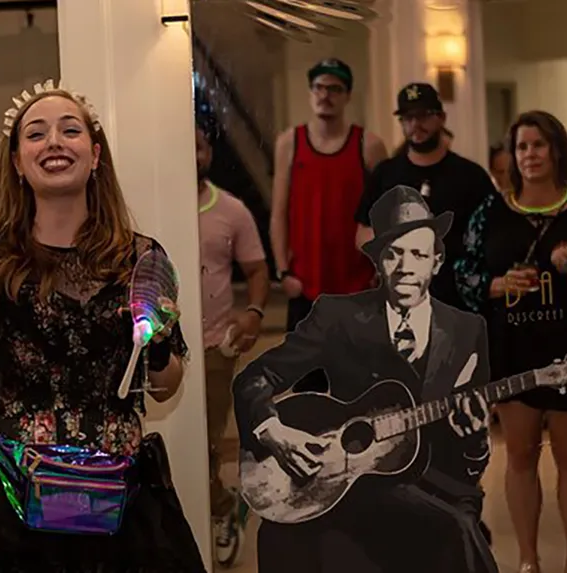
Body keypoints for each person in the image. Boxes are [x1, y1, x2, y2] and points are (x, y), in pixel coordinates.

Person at [0, 80, 206, 572]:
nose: (55, 142)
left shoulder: (141, 257)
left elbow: (167, 387)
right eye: (36, 134)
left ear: (95, 154)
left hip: (118, 502)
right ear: (18, 163)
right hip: (13, 500)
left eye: (70, 130)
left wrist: (155, 344)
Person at [234, 186, 498, 573]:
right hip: (347, 487)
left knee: (455, 528)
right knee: (282, 535)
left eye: (419, 254)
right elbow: (254, 379)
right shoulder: (337, 317)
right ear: (378, 262)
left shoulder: (467, 330)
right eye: (393, 253)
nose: (406, 267)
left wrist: (475, 437)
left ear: (437, 262)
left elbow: (470, 463)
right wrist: (274, 430)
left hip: (435, 486)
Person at [454, 110, 567, 573]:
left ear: (557, 151)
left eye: (539, 145)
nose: (530, 154)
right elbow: (462, 275)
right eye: (522, 147)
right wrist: (496, 285)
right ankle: (528, 560)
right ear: (512, 156)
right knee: (520, 452)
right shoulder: (491, 212)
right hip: (514, 347)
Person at [269, 57, 389, 393]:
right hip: (306, 287)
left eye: (334, 89)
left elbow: (387, 215)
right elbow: (278, 212)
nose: (325, 95)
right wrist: (282, 271)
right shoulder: (290, 143)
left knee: (358, 390)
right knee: (306, 393)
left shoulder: (369, 145)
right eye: (319, 87)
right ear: (310, 93)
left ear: (347, 96)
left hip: (355, 290)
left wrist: (380, 269)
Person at [194, 116, 269, 567]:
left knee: (204, 442)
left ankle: (221, 514)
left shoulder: (232, 210)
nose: (192, 154)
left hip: (213, 345)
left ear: (209, 154)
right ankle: (220, 503)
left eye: (200, 146)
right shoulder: (148, 204)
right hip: (152, 344)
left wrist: (255, 313)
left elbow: (258, 272)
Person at [355, 83, 498, 313]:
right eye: (407, 118)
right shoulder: (386, 173)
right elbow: (362, 233)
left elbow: (492, 235)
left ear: (441, 118)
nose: (415, 125)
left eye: (423, 116)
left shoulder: (470, 176)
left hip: (457, 301)